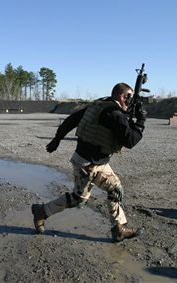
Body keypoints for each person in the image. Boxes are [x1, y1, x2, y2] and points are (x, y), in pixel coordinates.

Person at [31, 82, 147, 242]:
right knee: (78, 199)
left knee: (116, 189)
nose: (130, 102)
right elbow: (130, 140)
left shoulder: (99, 105)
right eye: (129, 98)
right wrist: (140, 121)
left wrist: (57, 139)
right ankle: (41, 211)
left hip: (98, 161)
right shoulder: (114, 114)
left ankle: (119, 229)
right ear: (122, 96)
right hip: (87, 164)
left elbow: (72, 119)